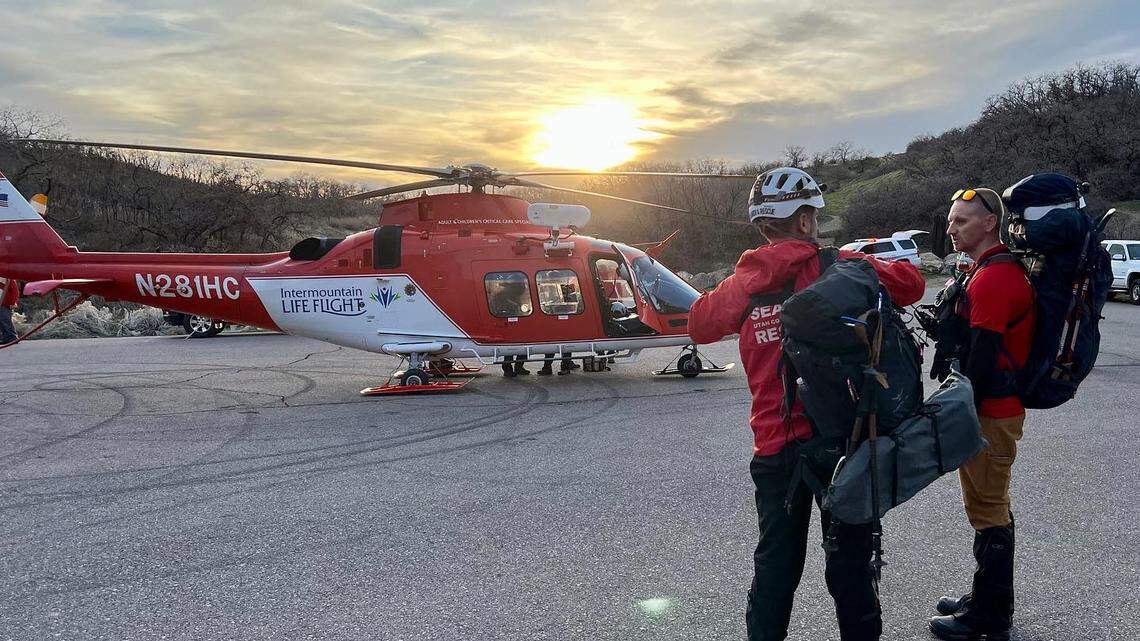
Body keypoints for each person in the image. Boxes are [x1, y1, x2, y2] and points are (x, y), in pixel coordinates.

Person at [688, 167, 925, 641]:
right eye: (813, 215)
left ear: (763, 225)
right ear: (802, 220)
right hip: (846, 443)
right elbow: (911, 285)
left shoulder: (743, 283)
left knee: (776, 564)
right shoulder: (842, 265)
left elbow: (699, 325)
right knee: (851, 565)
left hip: (776, 446)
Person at [927, 187, 1035, 641]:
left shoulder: (994, 278)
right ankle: (985, 598)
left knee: (988, 509)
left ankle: (989, 619)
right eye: (952, 220)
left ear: (990, 223)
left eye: (962, 221)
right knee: (988, 505)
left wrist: (957, 415)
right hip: (993, 410)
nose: (952, 229)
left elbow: (983, 360)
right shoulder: (986, 270)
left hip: (991, 413)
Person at [0, 276, 20, 346]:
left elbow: (15, 291)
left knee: (5, 320)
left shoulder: (8, 278)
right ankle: (6, 338)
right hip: (2, 302)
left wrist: (12, 302)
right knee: (2, 322)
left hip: (5, 303)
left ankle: (12, 337)